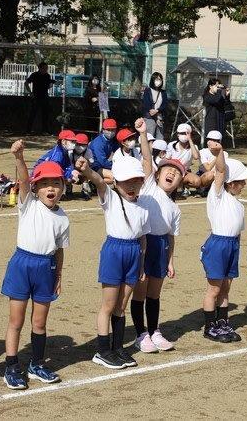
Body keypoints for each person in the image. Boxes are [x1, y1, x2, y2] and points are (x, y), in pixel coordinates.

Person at [1, 141, 70, 390]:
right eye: (44, 184)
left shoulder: (63, 218)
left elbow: (59, 250)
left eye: (56, 183)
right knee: (16, 321)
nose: (50, 188)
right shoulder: (27, 204)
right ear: (35, 188)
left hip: (46, 268)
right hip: (22, 264)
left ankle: (37, 363)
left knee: (39, 322)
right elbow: (22, 179)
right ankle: (11, 365)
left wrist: (58, 275)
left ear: (63, 186)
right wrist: (19, 158)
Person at [75, 155, 150, 370]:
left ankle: (117, 347)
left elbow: (143, 237)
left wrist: (142, 264)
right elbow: (98, 181)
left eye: (136, 181)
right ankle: (102, 350)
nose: (132, 186)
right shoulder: (110, 197)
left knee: (121, 305)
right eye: (126, 182)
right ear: (116, 183)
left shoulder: (144, 206)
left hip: (134, 253)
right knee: (108, 305)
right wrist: (87, 170)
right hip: (114, 251)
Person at [131, 118, 183, 353]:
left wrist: (170, 260)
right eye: (167, 170)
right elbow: (145, 158)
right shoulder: (149, 185)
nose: (171, 173)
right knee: (140, 291)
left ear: (179, 183)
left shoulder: (175, 208)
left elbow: (171, 236)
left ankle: (154, 330)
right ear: (158, 173)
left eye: (176, 173)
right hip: (144, 243)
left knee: (154, 293)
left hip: (161, 246)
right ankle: (141, 334)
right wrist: (143, 134)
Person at [200, 148, 247, 343]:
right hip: (217, 245)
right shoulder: (217, 196)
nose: (244, 185)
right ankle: (210, 327)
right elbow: (221, 171)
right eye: (241, 182)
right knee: (214, 290)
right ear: (230, 183)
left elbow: (238, 233)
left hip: (232, 246)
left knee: (225, 288)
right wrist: (220, 151)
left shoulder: (238, 205)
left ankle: (222, 322)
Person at [25, 62, 56, 135]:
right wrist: (30, 93)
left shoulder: (47, 76)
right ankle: (28, 130)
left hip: (45, 96)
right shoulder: (34, 75)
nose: (46, 70)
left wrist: (51, 85)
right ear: (40, 68)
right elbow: (26, 83)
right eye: (44, 68)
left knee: (45, 114)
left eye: (46, 68)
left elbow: (48, 85)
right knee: (33, 114)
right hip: (36, 96)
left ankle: (44, 130)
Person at [89, 118, 120, 183]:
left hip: (101, 166)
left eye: (113, 130)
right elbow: (102, 161)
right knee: (115, 177)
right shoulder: (99, 142)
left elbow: (119, 152)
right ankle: (93, 183)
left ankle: (95, 183)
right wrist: (115, 166)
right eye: (108, 130)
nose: (110, 132)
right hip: (93, 166)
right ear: (103, 130)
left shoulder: (112, 141)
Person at [141, 72, 168, 140]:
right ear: (152, 80)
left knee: (160, 138)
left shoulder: (163, 92)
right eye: (156, 79)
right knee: (149, 138)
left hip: (160, 117)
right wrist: (151, 111)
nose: (158, 81)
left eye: (160, 79)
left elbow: (165, 104)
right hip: (149, 117)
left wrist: (157, 110)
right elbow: (146, 103)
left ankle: (158, 151)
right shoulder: (148, 90)